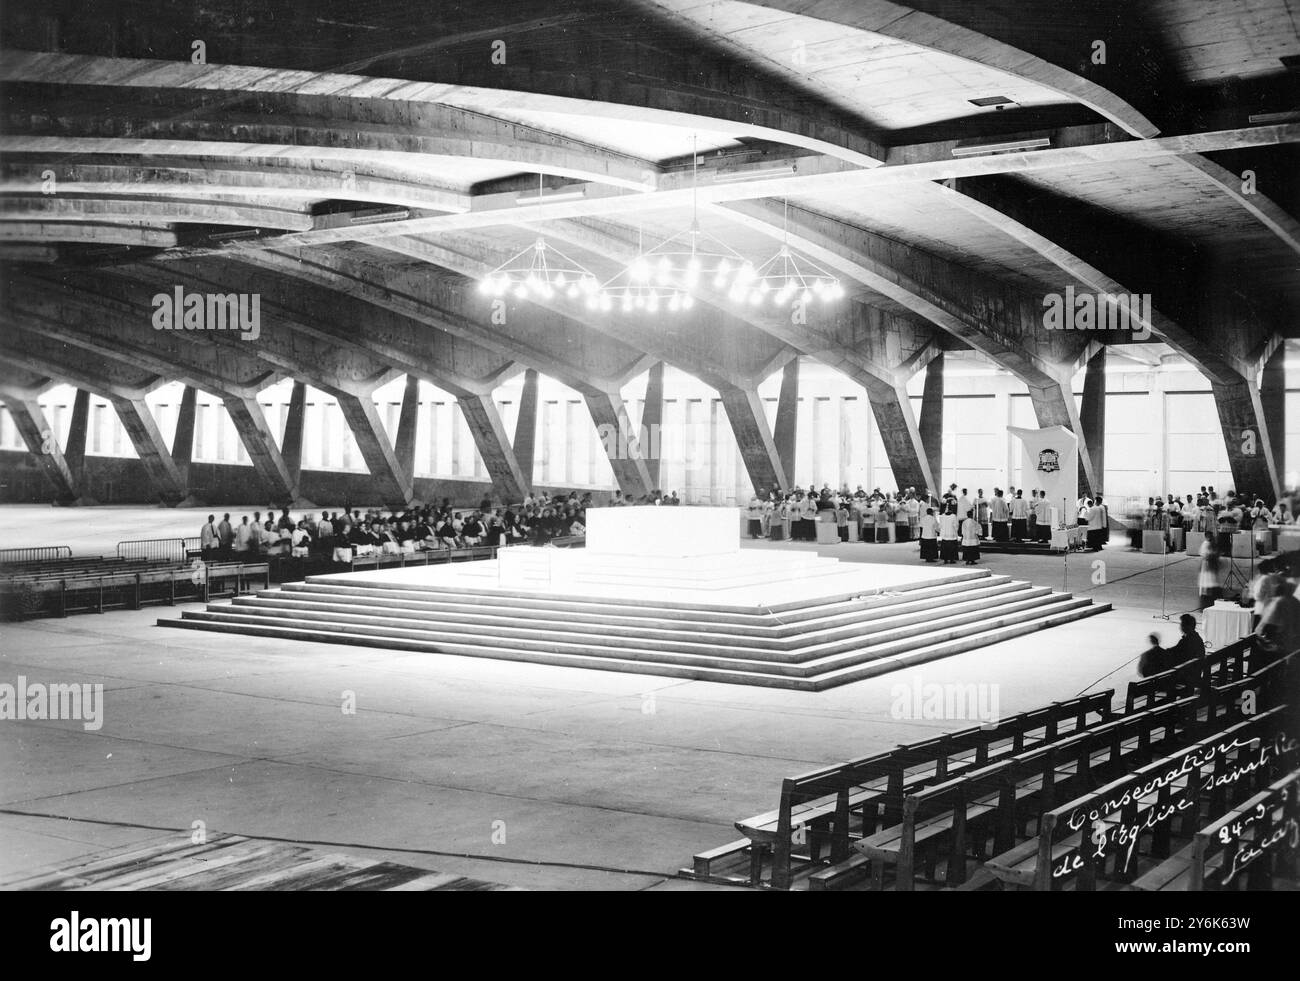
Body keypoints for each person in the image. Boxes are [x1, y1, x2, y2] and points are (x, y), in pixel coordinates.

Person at [1256, 580, 1300, 667]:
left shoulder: (1279, 602)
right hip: (1293, 642)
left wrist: (1261, 634)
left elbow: (1268, 626)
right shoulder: (1295, 601)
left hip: (1281, 646)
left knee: (1259, 646)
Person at [1197, 538, 1223, 609]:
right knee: (1207, 587)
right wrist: (1214, 553)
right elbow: (1206, 554)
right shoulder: (1206, 544)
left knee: (1212, 586)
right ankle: (1206, 605)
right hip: (1207, 569)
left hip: (1211, 569)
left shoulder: (1210, 544)